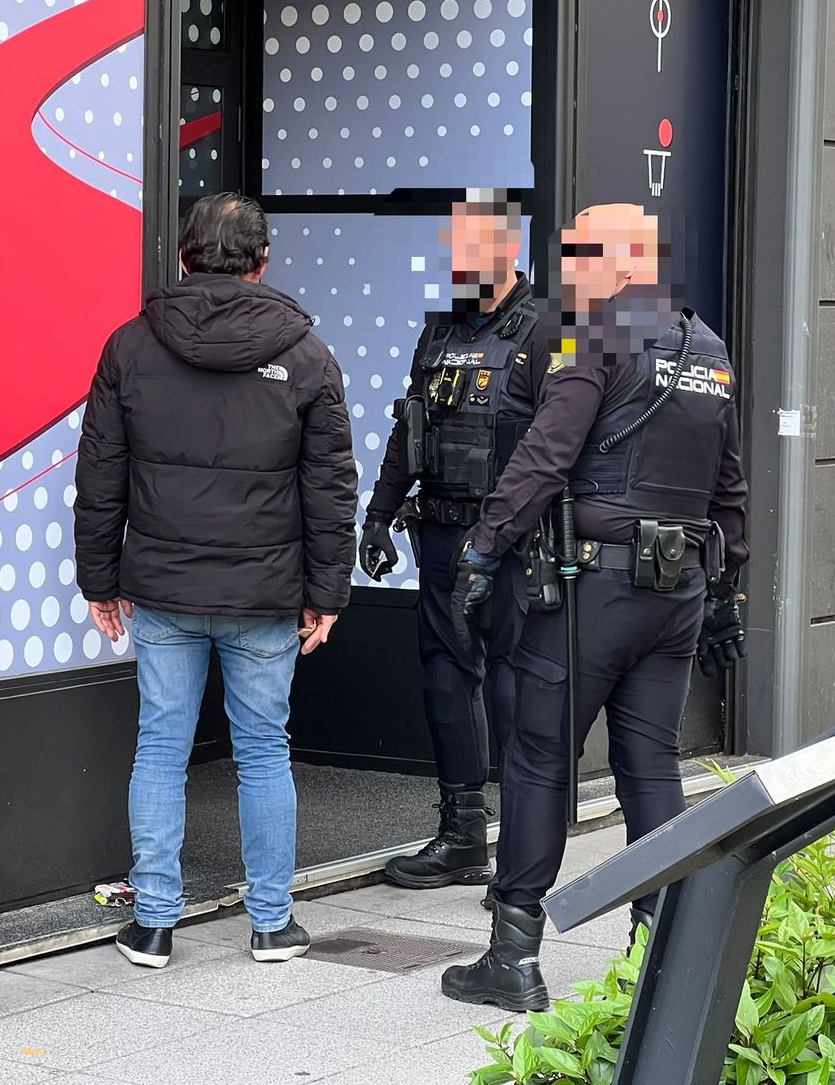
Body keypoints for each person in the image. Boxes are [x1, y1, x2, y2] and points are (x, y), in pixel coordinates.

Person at [438, 202, 750, 1011]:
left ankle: (512, 957)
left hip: (590, 588)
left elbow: (545, 456)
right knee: (650, 767)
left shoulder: (595, 337)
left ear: (625, 261)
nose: (566, 265)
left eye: (579, 251)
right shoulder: (708, 347)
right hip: (675, 591)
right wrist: (728, 589)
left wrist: (483, 547)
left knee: (540, 761)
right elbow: (730, 486)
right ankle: (659, 948)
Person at [74, 193, 358, 969]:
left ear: (182, 257)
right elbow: (331, 487)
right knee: (264, 749)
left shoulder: (130, 346)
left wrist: (100, 579)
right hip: (265, 596)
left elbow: (99, 477)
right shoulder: (306, 354)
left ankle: (156, 925)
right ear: (264, 261)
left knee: (161, 748)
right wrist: (327, 592)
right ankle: (271, 925)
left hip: (162, 587)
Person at [359, 188, 552, 895]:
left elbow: (560, 446)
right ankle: (462, 833)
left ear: (506, 246)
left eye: (470, 244)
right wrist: (378, 514)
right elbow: (411, 428)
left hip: (511, 539)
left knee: (512, 686)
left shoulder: (547, 329)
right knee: (445, 675)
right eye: (454, 246)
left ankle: (526, 849)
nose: (458, 258)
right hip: (440, 530)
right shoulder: (440, 328)